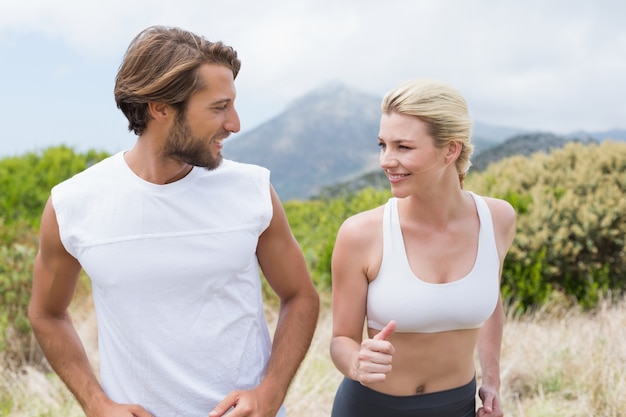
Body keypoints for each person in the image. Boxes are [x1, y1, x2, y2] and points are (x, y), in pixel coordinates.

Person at [28, 25, 319, 417]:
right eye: (219, 107)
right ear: (160, 107)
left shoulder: (252, 189)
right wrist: (96, 404)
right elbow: (46, 314)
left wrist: (270, 393)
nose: (234, 123)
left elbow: (301, 297)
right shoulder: (73, 205)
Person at [329, 78, 516, 417]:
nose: (385, 160)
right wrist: (357, 363)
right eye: (382, 144)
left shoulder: (498, 219)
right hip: (371, 407)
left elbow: (490, 301)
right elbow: (341, 339)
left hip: (458, 407)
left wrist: (492, 382)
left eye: (403, 147)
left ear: (450, 150)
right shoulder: (361, 233)